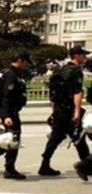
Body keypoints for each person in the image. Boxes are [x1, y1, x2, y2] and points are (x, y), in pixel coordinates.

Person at [39, 46, 91, 178]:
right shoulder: (76, 71)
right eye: (83, 55)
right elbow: (77, 93)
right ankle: (85, 166)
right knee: (79, 137)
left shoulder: (61, 70)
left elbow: (54, 94)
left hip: (59, 109)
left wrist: (54, 111)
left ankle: (44, 164)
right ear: (76, 56)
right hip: (69, 110)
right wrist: (77, 112)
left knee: (55, 138)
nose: (85, 57)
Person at [0, 52, 32, 180]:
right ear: (20, 60)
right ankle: (9, 169)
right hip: (10, 113)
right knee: (13, 139)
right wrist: (6, 115)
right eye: (26, 62)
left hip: (10, 111)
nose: (27, 65)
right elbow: (5, 97)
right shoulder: (10, 75)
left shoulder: (7, 73)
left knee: (10, 139)